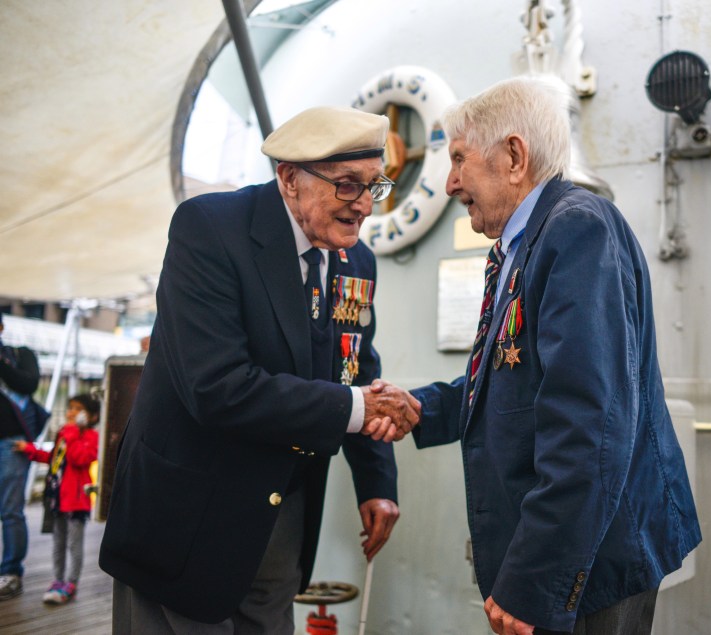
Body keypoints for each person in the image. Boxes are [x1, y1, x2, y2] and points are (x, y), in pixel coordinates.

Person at [99, 106, 421, 633]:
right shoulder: (209, 228)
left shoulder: (356, 260)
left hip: (283, 515)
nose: (364, 205)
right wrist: (360, 409)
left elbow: (357, 366)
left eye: (373, 185)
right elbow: (217, 387)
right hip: (187, 515)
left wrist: (376, 483)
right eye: (346, 185)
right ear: (290, 179)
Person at [409, 76, 701, 635]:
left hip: (592, 557)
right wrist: (418, 407)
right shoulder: (525, 245)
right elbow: (509, 381)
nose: (449, 183)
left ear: (513, 157)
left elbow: (589, 424)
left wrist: (534, 578)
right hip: (575, 545)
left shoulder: (576, 230)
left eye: (460, 160)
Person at [15, 392, 100, 605]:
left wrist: (71, 434)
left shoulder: (90, 437)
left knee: (74, 544)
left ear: (92, 417)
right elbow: (54, 459)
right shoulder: (65, 434)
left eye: (78, 409)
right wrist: (30, 450)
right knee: (58, 542)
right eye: (70, 408)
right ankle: (58, 580)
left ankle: (71, 582)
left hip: (76, 502)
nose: (71, 412)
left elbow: (79, 459)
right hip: (57, 500)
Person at [0, 312, 49, 601]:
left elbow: (28, 384)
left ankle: (10, 572)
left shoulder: (20, 354)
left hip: (11, 443)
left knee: (10, 510)